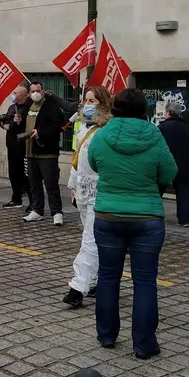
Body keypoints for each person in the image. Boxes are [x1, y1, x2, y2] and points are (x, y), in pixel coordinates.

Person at [89, 88, 176, 357]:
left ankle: (106, 335)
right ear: (143, 110)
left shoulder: (101, 136)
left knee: (107, 277)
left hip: (108, 216)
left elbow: (94, 164)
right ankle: (144, 344)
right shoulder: (155, 136)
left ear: (114, 109)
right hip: (147, 217)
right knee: (146, 281)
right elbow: (170, 171)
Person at [63, 86, 112, 309]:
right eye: (86, 100)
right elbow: (77, 158)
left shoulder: (107, 130)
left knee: (89, 241)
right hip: (82, 190)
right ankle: (98, 280)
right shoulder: (82, 127)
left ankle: (77, 287)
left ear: (103, 104)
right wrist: (73, 185)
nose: (87, 104)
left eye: (93, 100)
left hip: (99, 191)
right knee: (93, 239)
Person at [22, 81, 67, 225]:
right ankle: (37, 210)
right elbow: (23, 124)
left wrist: (40, 132)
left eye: (38, 90)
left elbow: (58, 126)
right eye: (32, 91)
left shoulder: (51, 107)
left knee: (50, 184)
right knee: (34, 183)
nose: (35, 93)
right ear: (29, 93)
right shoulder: (28, 106)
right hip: (30, 152)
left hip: (47, 152)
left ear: (43, 92)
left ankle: (56, 212)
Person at [159, 100, 189, 227]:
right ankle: (184, 220)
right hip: (184, 167)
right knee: (183, 193)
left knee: (157, 192)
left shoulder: (161, 128)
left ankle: (154, 215)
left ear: (168, 113)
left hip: (164, 166)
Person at [0, 83, 31, 210]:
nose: (13, 95)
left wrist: (13, 125)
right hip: (11, 146)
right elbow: (5, 122)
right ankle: (16, 198)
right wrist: (4, 124)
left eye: (15, 93)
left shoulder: (29, 108)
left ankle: (33, 202)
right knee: (13, 173)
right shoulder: (12, 107)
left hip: (24, 147)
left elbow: (20, 127)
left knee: (27, 175)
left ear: (23, 95)